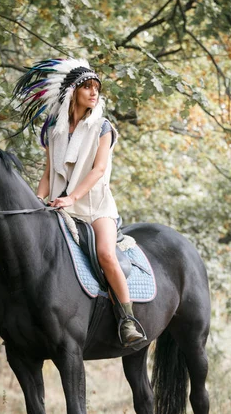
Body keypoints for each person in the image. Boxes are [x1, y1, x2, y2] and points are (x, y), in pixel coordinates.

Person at [14, 58, 145, 346]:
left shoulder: (102, 127)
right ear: (73, 91)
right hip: (60, 207)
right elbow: (48, 173)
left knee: (106, 255)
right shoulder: (53, 130)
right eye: (87, 87)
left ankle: (127, 320)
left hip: (96, 207)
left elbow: (98, 170)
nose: (94, 93)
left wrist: (72, 197)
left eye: (96, 88)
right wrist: (37, 200)